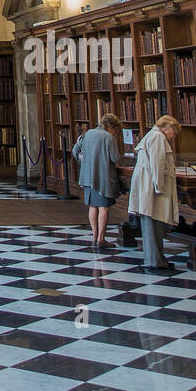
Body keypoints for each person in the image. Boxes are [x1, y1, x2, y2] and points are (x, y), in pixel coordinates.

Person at [128, 114, 182, 273]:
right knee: (153, 223)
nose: (174, 136)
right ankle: (156, 261)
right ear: (167, 127)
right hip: (152, 188)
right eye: (174, 131)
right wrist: (159, 186)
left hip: (147, 186)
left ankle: (156, 259)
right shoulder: (158, 137)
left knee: (151, 223)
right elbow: (157, 164)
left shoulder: (151, 135)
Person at [72, 114, 121, 250]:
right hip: (103, 177)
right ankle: (101, 239)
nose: (115, 133)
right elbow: (115, 158)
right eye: (115, 130)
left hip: (87, 176)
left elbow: (75, 150)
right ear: (110, 126)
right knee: (104, 208)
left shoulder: (87, 134)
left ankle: (94, 237)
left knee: (93, 206)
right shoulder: (108, 138)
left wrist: (84, 162)